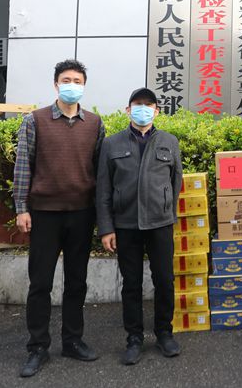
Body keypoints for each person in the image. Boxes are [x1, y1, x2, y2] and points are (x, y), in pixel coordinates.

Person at [13, 59, 105, 378]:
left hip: (81, 213)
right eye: (66, 80)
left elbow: (99, 171)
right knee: (40, 283)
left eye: (77, 81)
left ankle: (72, 341)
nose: (71, 86)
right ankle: (37, 346)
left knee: (77, 281)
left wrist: (101, 215)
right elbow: (23, 165)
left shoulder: (94, 123)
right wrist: (21, 208)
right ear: (55, 84)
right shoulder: (35, 120)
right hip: (44, 214)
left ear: (84, 86)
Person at [96, 87, 183, 365]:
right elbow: (103, 189)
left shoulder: (169, 141)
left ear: (156, 111)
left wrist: (167, 211)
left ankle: (164, 333)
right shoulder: (112, 144)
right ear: (128, 109)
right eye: (137, 104)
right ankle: (134, 338)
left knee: (164, 280)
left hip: (160, 224)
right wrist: (106, 228)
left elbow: (176, 182)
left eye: (148, 105)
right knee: (131, 283)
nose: (142, 109)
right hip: (126, 224)